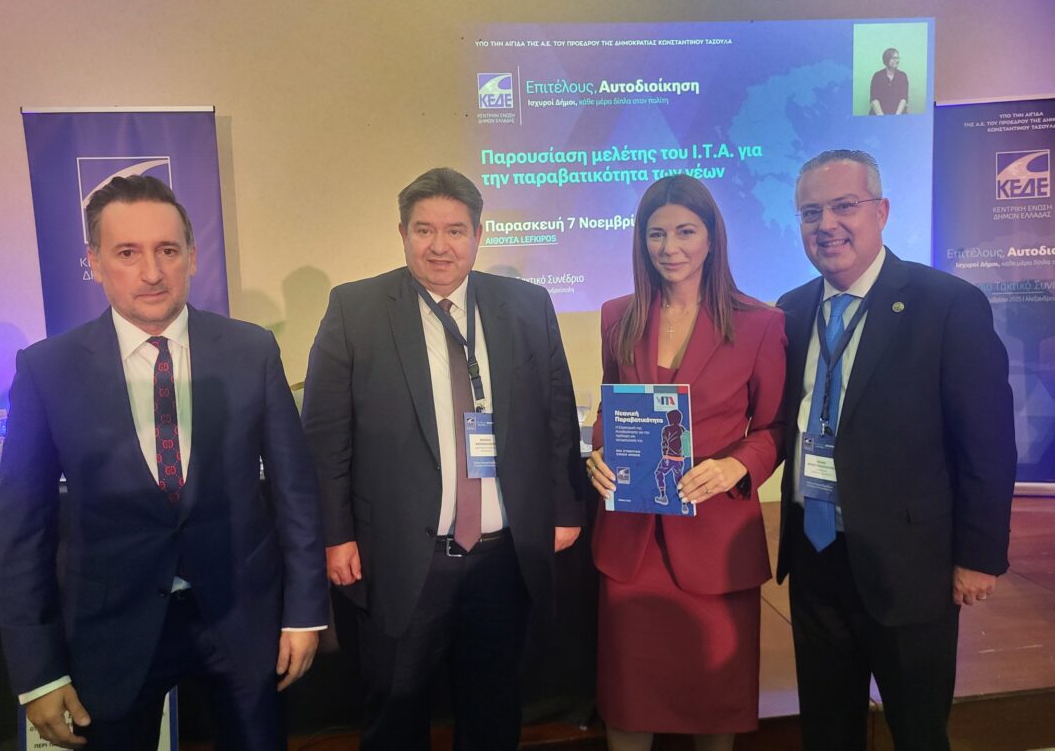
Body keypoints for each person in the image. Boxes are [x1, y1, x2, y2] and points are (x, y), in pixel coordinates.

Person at [0, 175, 328, 751]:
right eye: (127, 253)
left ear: (192, 257)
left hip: (243, 619)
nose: (152, 272)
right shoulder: (48, 369)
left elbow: (295, 491)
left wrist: (304, 612)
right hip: (110, 630)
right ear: (95, 263)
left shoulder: (250, 350)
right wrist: (38, 671)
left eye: (167, 250)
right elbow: (23, 528)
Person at [301, 167, 586, 751]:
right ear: (402, 234)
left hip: (502, 556)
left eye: (455, 230)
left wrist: (564, 507)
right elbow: (325, 438)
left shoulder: (527, 305)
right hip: (403, 557)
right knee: (395, 709)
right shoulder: (355, 309)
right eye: (424, 230)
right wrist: (335, 535)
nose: (439, 246)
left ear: (478, 235)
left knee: (494, 709)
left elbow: (556, 414)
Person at [776, 150, 1016, 751]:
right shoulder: (791, 309)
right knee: (827, 732)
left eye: (844, 206)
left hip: (911, 567)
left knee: (918, 731)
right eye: (811, 212)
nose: (827, 224)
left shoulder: (947, 304)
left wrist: (979, 556)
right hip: (815, 555)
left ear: (881, 212)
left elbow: (987, 442)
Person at [587, 174, 787, 751]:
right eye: (656, 234)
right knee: (629, 700)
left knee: (714, 703)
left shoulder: (760, 323)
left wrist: (736, 467)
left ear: (711, 237)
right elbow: (609, 405)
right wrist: (598, 451)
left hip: (714, 539)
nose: (669, 247)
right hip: (632, 541)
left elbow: (774, 427)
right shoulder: (617, 315)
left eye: (685, 231)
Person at [869, 47, 908, 115]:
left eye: (898, 58)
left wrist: (896, 117)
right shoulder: (877, 76)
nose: (897, 60)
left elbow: (904, 98)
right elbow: (874, 99)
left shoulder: (902, 76)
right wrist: (883, 118)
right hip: (879, 115)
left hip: (898, 115)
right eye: (894, 58)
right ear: (887, 59)